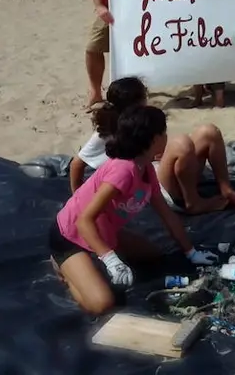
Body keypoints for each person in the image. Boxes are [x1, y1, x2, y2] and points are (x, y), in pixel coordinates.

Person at [49, 105, 219, 315]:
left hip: (105, 230)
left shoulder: (146, 168)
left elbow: (165, 212)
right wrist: (110, 260)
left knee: (152, 255)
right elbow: (84, 220)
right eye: (164, 132)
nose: (167, 137)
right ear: (153, 138)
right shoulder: (123, 170)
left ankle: (89, 264)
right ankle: (64, 270)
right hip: (70, 236)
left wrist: (191, 252)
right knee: (102, 304)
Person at [69, 76, 235, 215]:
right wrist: (78, 200)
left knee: (209, 132)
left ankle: (226, 189)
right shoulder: (107, 132)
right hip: (153, 188)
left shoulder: (143, 121)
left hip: (159, 171)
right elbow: (77, 164)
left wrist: (158, 153)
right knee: (181, 143)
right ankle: (193, 203)